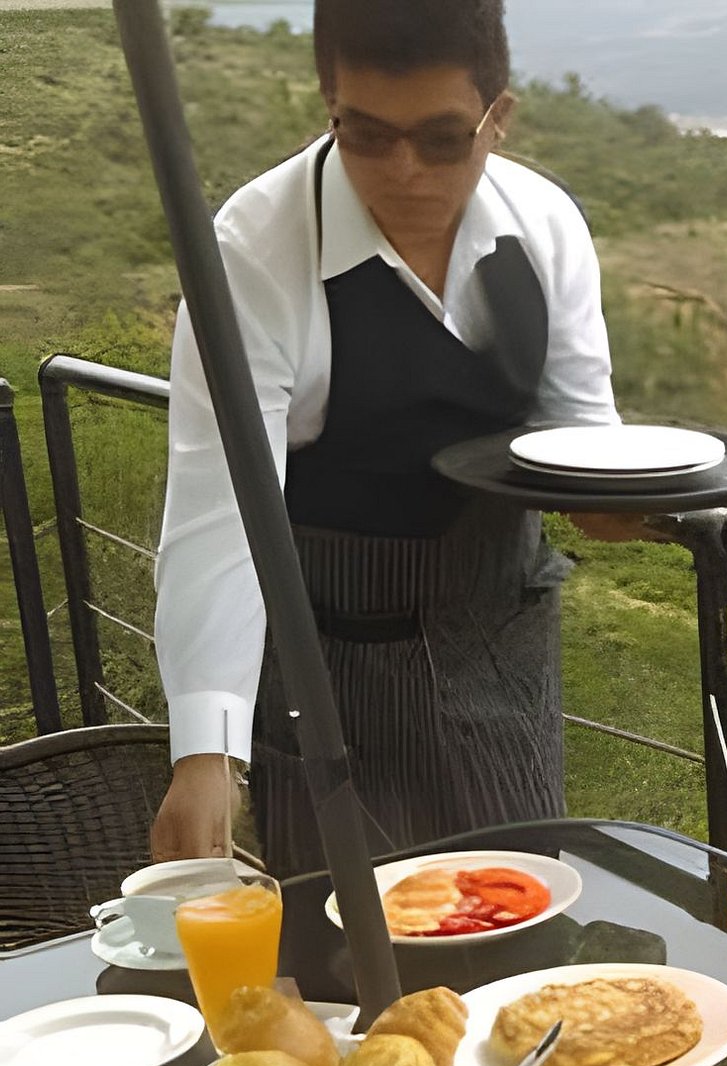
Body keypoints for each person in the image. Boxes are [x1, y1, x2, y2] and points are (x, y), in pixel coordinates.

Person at [149, 0, 627, 871]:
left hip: (499, 647)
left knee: (517, 906)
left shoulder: (545, 224)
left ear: (498, 118)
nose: (403, 170)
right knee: (341, 930)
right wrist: (207, 751)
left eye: (441, 139)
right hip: (329, 671)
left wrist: (628, 503)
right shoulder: (255, 251)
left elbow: (580, 437)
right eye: (365, 135)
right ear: (328, 106)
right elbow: (221, 511)